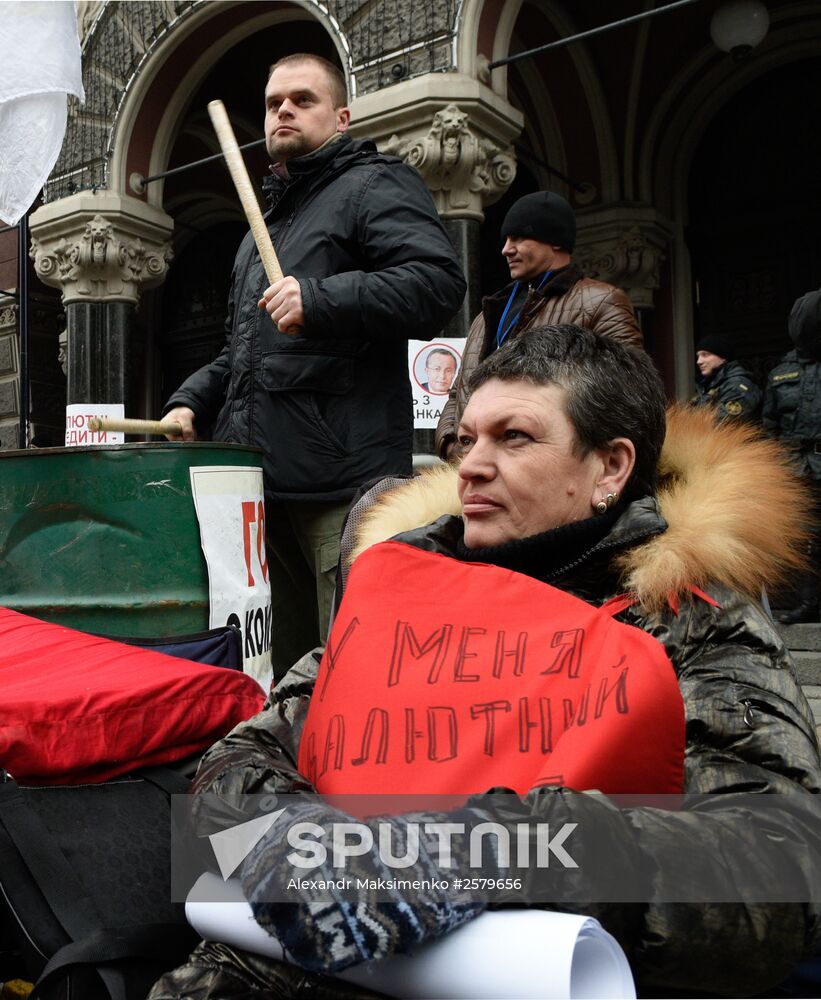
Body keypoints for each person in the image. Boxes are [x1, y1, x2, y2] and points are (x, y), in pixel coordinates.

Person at [152, 325, 821, 1000]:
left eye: (515, 437)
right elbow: (233, 770)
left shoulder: (687, 620)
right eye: (467, 438)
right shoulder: (396, 596)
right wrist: (293, 839)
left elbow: (782, 865)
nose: (468, 463)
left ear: (609, 468)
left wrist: (499, 851)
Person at [163, 53, 466, 681]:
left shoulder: (373, 184)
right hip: (262, 490)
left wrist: (320, 299)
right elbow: (243, 350)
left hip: (341, 487)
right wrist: (192, 399)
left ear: (342, 116)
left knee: (353, 668)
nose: (284, 111)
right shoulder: (258, 233)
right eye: (274, 103)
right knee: (286, 671)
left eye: (303, 99)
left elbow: (437, 285)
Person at [435, 190, 642, 460]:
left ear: (555, 240)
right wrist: (452, 445)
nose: (506, 249)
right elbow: (457, 392)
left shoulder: (601, 302)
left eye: (518, 238)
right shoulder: (487, 314)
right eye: (506, 239)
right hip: (474, 467)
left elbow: (628, 392)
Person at [764, 288, 821, 624]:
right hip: (797, 467)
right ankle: (807, 603)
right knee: (806, 537)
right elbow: (770, 425)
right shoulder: (781, 373)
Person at [690, 332, 761, 421]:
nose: (699, 361)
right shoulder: (709, 386)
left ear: (723, 357)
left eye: (705, 355)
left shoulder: (737, 385)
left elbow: (723, 422)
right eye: (698, 356)